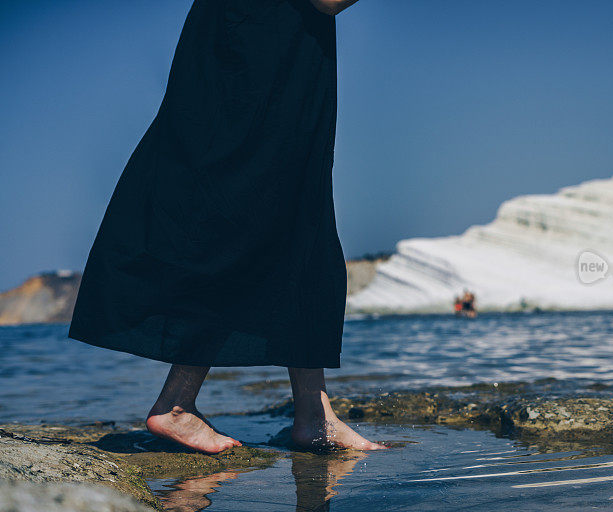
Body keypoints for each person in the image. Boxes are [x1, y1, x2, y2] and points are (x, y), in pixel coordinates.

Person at [67, 0, 385, 453]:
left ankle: (313, 413)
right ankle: (177, 403)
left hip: (249, 41)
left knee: (292, 216)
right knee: (256, 214)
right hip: (266, 54)